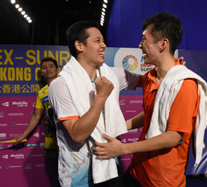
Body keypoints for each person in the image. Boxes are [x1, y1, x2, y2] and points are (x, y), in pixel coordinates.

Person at [92, 12, 207, 187]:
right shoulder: (149, 77)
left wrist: (123, 148)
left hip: (163, 180)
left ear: (163, 44)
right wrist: (118, 126)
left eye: (144, 39)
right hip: (137, 169)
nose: (140, 45)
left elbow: (173, 137)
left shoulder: (184, 84)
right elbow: (151, 113)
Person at [48, 20, 142, 187]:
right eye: (97, 41)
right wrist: (101, 97)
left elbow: (149, 81)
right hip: (78, 178)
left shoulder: (112, 74)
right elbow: (77, 134)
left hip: (109, 167)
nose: (104, 45)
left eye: (103, 40)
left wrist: (170, 69)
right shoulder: (61, 85)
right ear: (79, 46)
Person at [14, 57, 60, 186]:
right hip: (52, 141)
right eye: (44, 67)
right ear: (41, 72)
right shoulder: (42, 93)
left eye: (51, 66)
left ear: (57, 70)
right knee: (59, 176)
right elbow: (36, 116)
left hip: (70, 139)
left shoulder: (67, 85)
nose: (47, 69)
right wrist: (23, 136)